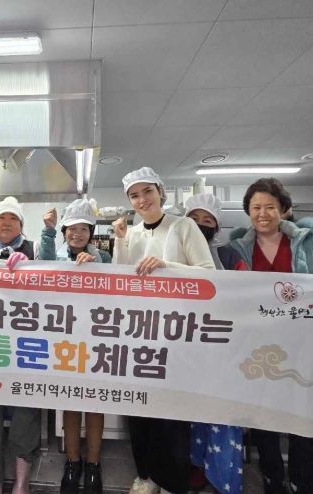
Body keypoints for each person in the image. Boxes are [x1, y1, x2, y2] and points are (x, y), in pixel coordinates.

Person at [229, 178, 313, 494]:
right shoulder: (237, 249)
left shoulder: (311, 243)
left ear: (284, 209)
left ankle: (302, 481)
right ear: (248, 211)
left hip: (305, 347)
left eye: (270, 207)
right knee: (263, 416)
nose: (262, 213)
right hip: (257, 349)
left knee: (303, 416)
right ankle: (272, 478)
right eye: (256, 207)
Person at [112, 167, 214, 494]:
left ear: (160, 192)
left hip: (175, 337)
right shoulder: (132, 234)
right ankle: (145, 476)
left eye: (147, 191)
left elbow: (208, 274)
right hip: (138, 336)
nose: (142, 200)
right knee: (138, 411)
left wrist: (167, 266)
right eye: (134, 195)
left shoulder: (184, 227)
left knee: (171, 416)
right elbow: (118, 281)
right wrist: (120, 241)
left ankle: (171, 482)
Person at [39, 198, 109, 494]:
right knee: (69, 403)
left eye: (83, 229)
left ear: (91, 233)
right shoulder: (55, 255)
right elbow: (41, 267)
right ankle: (72, 462)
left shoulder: (103, 258)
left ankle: (93, 464)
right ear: (64, 231)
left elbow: (115, 289)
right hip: (64, 340)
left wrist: (95, 268)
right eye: (71, 228)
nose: (77, 234)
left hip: (95, 341)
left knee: (94, 403)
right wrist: (47, 230)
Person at [0, 196, 41, 494]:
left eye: (13, 218)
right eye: (1, 217)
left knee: (26, 409)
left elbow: (58, 281)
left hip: (28, 343)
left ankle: (22, 481)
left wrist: (34, 267)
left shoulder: (36, 250)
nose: (7, 223)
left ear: (21, 225)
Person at [184, 193, 244, 494]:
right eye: (193, 219)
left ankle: (223, 478)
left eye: (207, 220)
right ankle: (197, 466)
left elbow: (249, 292)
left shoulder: (230, 256)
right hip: (186, 347)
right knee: (192, 412)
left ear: (216, 226)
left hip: (224, 345)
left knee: (224, 414)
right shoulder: (175, 251)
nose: (200, 225)